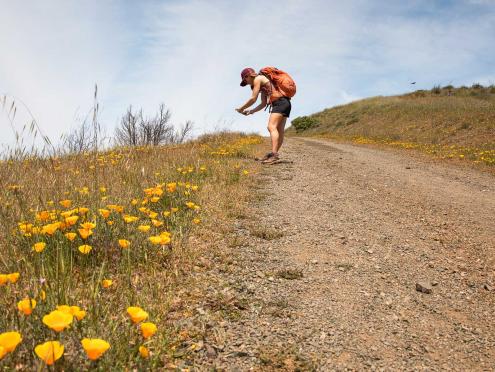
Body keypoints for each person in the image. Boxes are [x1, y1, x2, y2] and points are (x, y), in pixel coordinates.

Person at [236, 67, 293, 164]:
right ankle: (273, 154)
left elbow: (253, 98)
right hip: (285, 103)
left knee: (271, 126)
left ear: (248, 76)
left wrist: (241, 108)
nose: (247, 83)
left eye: (245, 80)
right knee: (279, 130)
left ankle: (274, 155)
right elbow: (263, 103)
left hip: (280, 103)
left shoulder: (258, 78)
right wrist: (251, 111)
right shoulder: (263, 84)